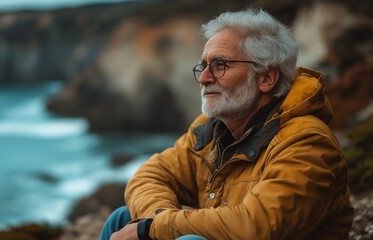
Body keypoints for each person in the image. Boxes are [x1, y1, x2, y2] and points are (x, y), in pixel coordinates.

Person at [99, 8, 354, 240]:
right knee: (122, 219)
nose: (205, 78)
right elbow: (150, 175)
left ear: (266, 78)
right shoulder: (210, 131)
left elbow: (258, 225)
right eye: (204, 66)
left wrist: (153, 228)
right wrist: (153, 220)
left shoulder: (307, 142)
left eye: (220, 65)